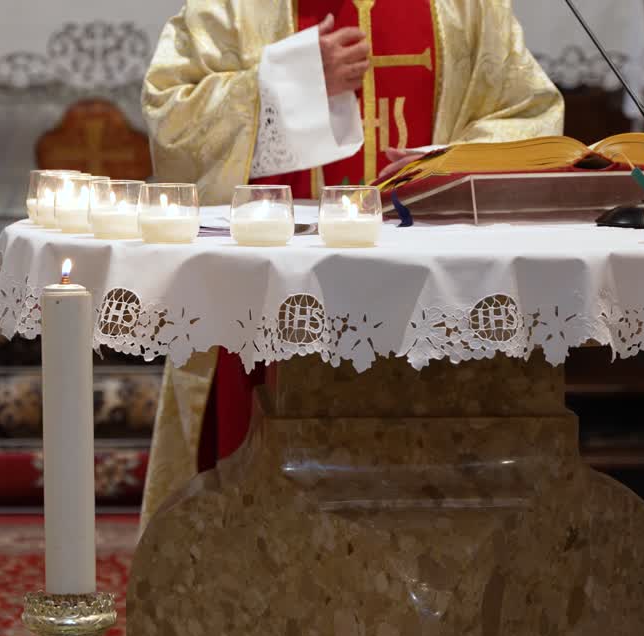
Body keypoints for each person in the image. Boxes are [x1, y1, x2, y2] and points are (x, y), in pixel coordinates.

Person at [139, 0, 565, 523]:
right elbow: (173, 119)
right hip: (282, 308)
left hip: (433, 299)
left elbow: (531, 113)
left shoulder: (466, 7)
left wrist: (443, 168)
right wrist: (288, 85)